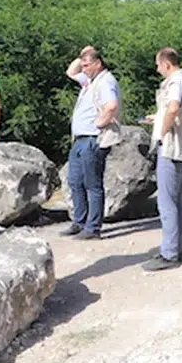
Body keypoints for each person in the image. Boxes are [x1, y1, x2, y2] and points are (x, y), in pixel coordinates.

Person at [141, 47, 182, 271]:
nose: (157, 70)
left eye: (158, 65)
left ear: (166, 64)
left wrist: (162, 131)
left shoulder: (175, 83)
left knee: (166, 202)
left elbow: (173, 108)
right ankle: (177, 249)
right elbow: (178, 111)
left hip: (172, 150)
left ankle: (169, 254)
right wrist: (158, 117)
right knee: (177, 201)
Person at [61, 46, 121, 241]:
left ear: (98, 64)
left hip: (93, 139)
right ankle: (79, 222)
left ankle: (93, 228)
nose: (83, 68)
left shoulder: (105, 81)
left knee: (92, 184)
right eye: (83, 65)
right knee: (75, 181)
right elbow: (70, 72)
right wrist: (83, 53)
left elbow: (112, 105)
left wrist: (99, 123)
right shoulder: (90, 80)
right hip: (80, 140)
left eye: (87, 65)